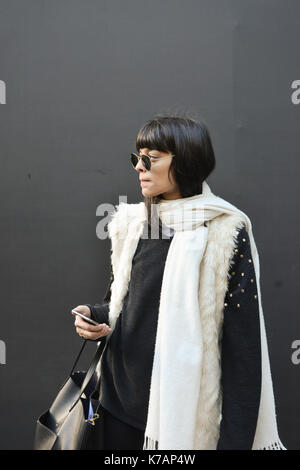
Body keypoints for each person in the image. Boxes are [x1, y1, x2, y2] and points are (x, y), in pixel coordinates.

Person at [72, 115, 285, 450]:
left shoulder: (224, 231)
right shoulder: (133, 224)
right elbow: (125, 305)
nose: (139, 167)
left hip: (181, 424)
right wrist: (96, 317)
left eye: (151, 159)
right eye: (136, 158)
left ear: (186, 161)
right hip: (114, 409)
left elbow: (243, 355)